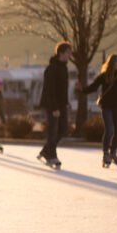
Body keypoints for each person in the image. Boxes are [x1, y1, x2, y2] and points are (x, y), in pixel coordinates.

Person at [78, 54, 117, 167]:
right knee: (109, 130)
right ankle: (105, 154)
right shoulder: (104, 75)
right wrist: (82, 90)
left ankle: (113, 152)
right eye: (116, 61)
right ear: (111, 63)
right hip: (107, 106)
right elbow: (94, 86)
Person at [37, 41, 73, 169]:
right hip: (52, 105)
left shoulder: (64, 67)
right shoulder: (52, 69)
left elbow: (63, 89)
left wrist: (65, 104)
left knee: (63, 129)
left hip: (62, 104)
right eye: (69, 52)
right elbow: (49, 90)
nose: (70, 55)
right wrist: (54, 108)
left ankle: (46, 150)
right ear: (61, 53)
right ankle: (52, 155)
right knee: (53, 130)